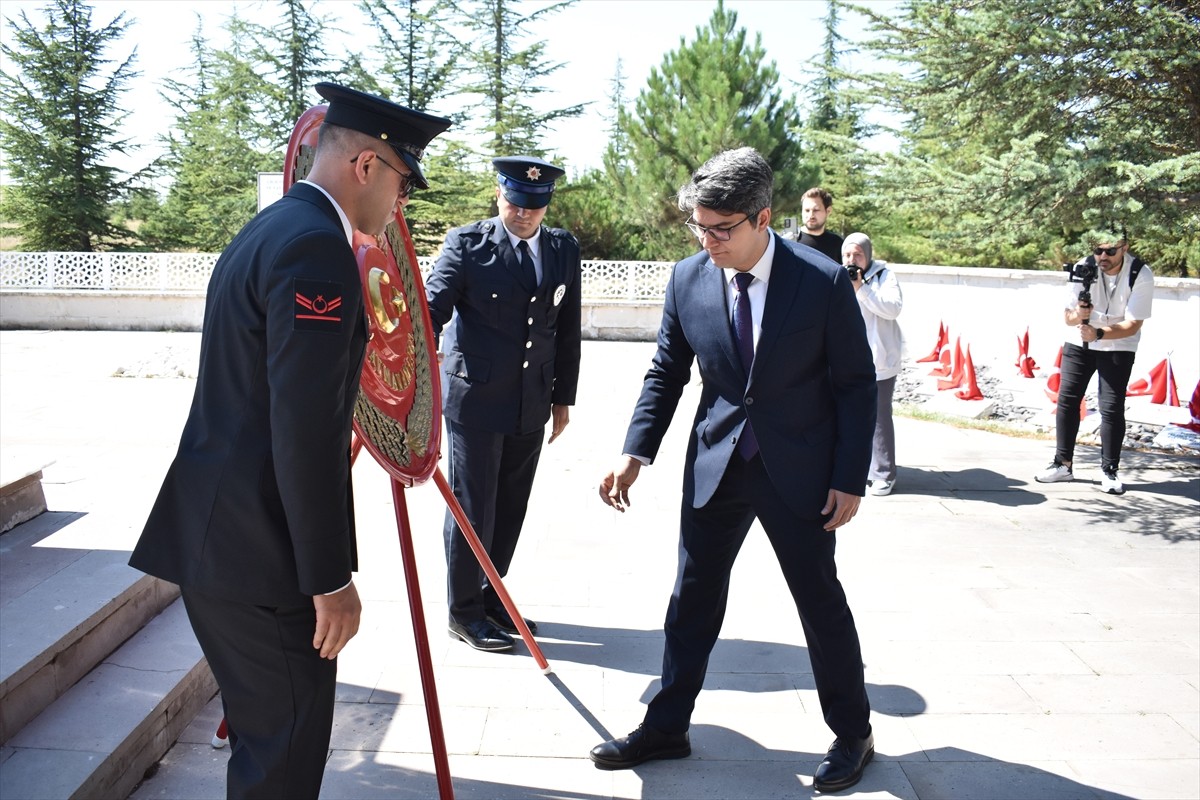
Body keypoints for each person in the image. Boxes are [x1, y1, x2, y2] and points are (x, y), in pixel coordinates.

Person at [130, 82, 451, 799]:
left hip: (227, 539)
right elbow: (302, 431)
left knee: (265, 743)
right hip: (263, 559)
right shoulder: (314, 251)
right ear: (366, 166)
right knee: (284, 759)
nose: (401, 204)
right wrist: (329, 580)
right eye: (403, 181)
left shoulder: (276, 227)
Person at [590, 148, 878, 793]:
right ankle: (667, 725)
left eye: (722, 229)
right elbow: (667, 371)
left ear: (763, 218)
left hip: (800, 470)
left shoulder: (821, 279)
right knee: (690, 596)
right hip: (717, 462)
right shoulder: (688, 278)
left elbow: (856, 385)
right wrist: (635, 451)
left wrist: (849, 476)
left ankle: (853, 731)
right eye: (700, 227)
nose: (709, 241)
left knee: (818, 600)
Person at [425, 156, 581, 653]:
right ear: (499, 196)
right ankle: (463, 612)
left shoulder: (561, 249)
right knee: (474, 507)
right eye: (515, 204)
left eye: (534, 207)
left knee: (511, 505)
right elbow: (432, 308)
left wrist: (562, 397)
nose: (523, 215)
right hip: (474, 402)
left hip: (529, 402)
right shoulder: (467, 244)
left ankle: (493, 597)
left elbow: (568, 329)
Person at [1035, 230, 1154, 494]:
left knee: (1110, 406)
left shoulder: (1140, 274)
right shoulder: (1083, 268)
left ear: (1124, 248)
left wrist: (1099, 332)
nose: (1102, 256)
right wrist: (1080, 314)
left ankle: (1109, 471)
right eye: (1098, 250)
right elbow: (1067, 317)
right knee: (1067, 399)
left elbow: (1133, 325)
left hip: (1118, 345)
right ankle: (1062, 464)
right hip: (1079, 342)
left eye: (1110, 251)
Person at [843, 232, 905, 497]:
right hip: (848, 360)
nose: (852, 260)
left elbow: (893, 309)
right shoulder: (839, 276)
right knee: (847, 417)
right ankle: (856, 469)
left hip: (880, 363)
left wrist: (863, 289)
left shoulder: (884, 276)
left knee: (879, 418)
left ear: (867, 254)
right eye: (847, 254)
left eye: (857, 254)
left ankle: (883, 473)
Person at [798, 186, 844, 263]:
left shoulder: (837, 244)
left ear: (828, 211)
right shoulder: (789, 241)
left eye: (816, 210)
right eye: (807, 210)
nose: (811, 215)